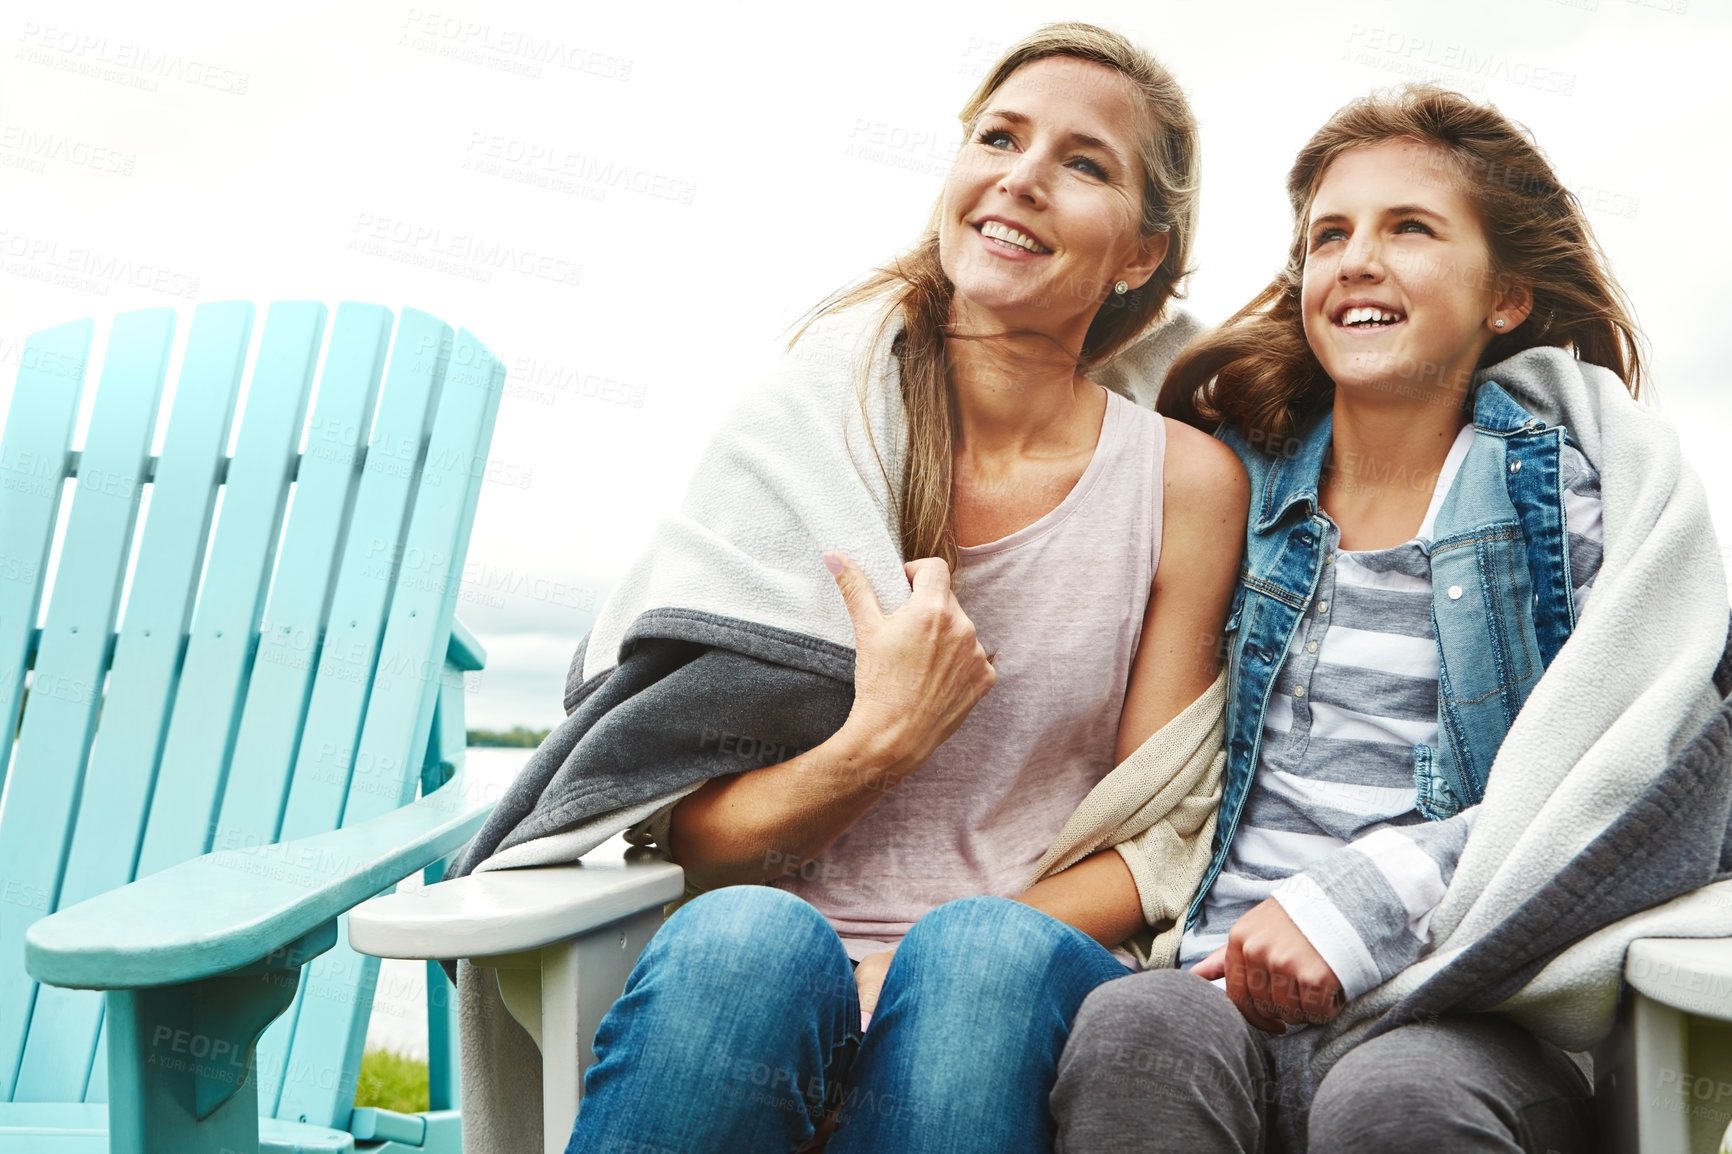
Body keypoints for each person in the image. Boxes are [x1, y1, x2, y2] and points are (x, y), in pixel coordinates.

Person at [558, 22, 1248, 1154]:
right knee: (743, 939)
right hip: (776, 952)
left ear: (1140, 254)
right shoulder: (813, 436)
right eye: (999, 137)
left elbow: (1156, 839)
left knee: (969, 954)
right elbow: (692, 840)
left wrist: (909, 962)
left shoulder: (1182, 482)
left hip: (1029, 957)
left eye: (1084, 163)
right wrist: (881, 738)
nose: (1021, 177)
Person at [1051, 83, 1732, 1153]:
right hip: (1220, 972)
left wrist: (1358, 904)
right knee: (1133, 1026)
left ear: (1504, 298)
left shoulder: (1559, 506)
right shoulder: (1238, 484)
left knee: (1396, 1100)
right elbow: (1073, 389)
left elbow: (1631, 765)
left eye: (1408, 227)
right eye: (1329, 235)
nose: (1356, 257)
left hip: (1458, 998)